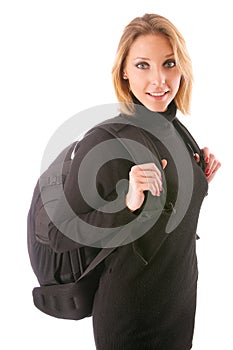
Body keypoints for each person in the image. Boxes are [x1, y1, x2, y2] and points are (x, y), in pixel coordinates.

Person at [50, 13, 221, 349]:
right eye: (143, 65)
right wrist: (125, 205)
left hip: (179, 304)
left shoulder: (175, 127)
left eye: (169, 63)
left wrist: (199, 180)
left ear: (181, 67)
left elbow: (166, 212)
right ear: (125, 71)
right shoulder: (104, 141)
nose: (160, 80)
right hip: (131, 317)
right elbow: (60, 234)